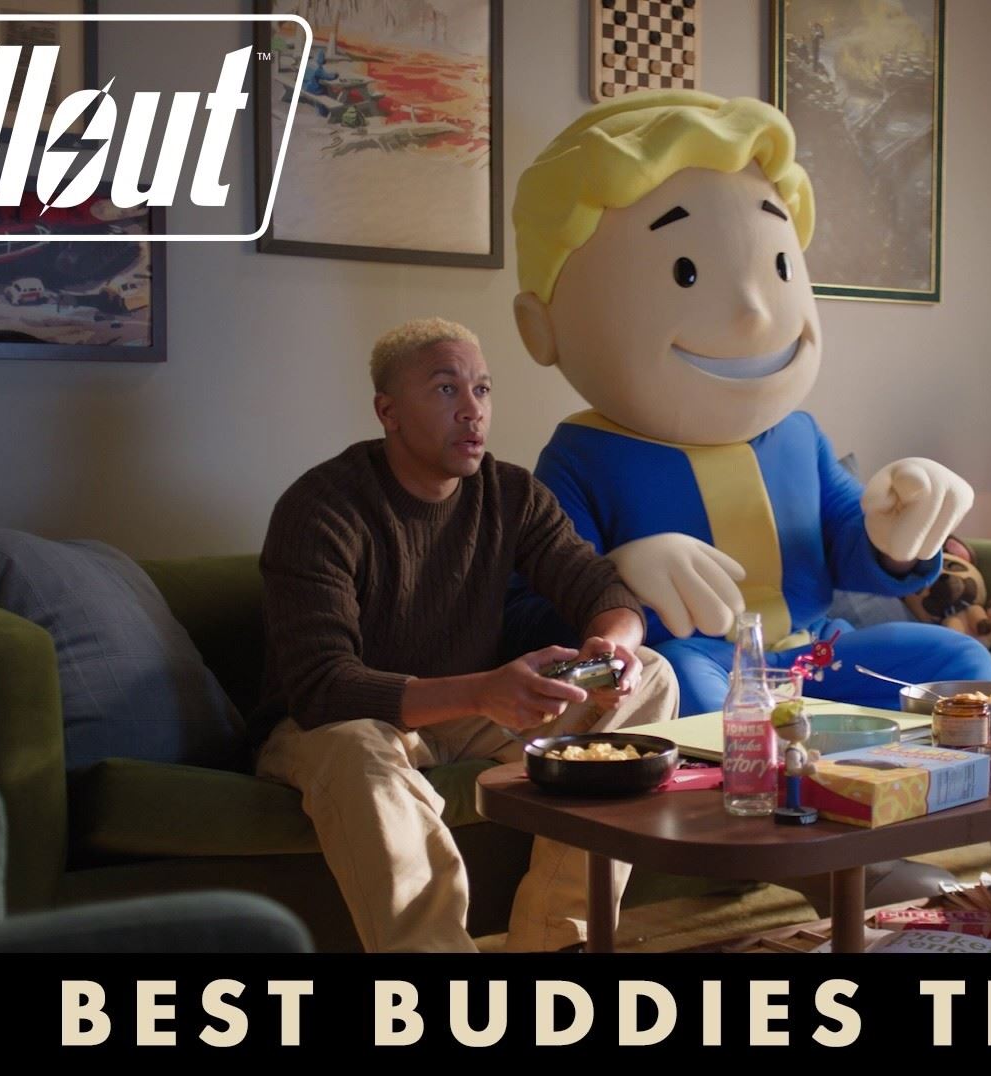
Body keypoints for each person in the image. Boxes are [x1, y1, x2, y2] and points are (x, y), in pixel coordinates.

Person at [509, 90, 991, 717]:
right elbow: (528, 615)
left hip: (814, 655)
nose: (754, 313)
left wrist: (898, 537)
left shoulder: (798, 436)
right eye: (686, 272)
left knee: (959, 664)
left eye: (779, 266)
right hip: (695, 658)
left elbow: (847, 550)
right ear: (541, 328)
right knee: (690, 694)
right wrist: (614, 577)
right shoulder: (582, 456)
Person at [251, 317, 678, 953]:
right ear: (389, 412)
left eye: (482, 389)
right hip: (335, 725)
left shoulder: (510, 493)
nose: (472, 410)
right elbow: (323, 688)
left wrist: (613, 646)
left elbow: (601, 588)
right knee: (359, 748)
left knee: (650, 673)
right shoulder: (322, 508)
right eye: (446, 390)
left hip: (470, 716)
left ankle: (555, 940)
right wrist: (484, 692)